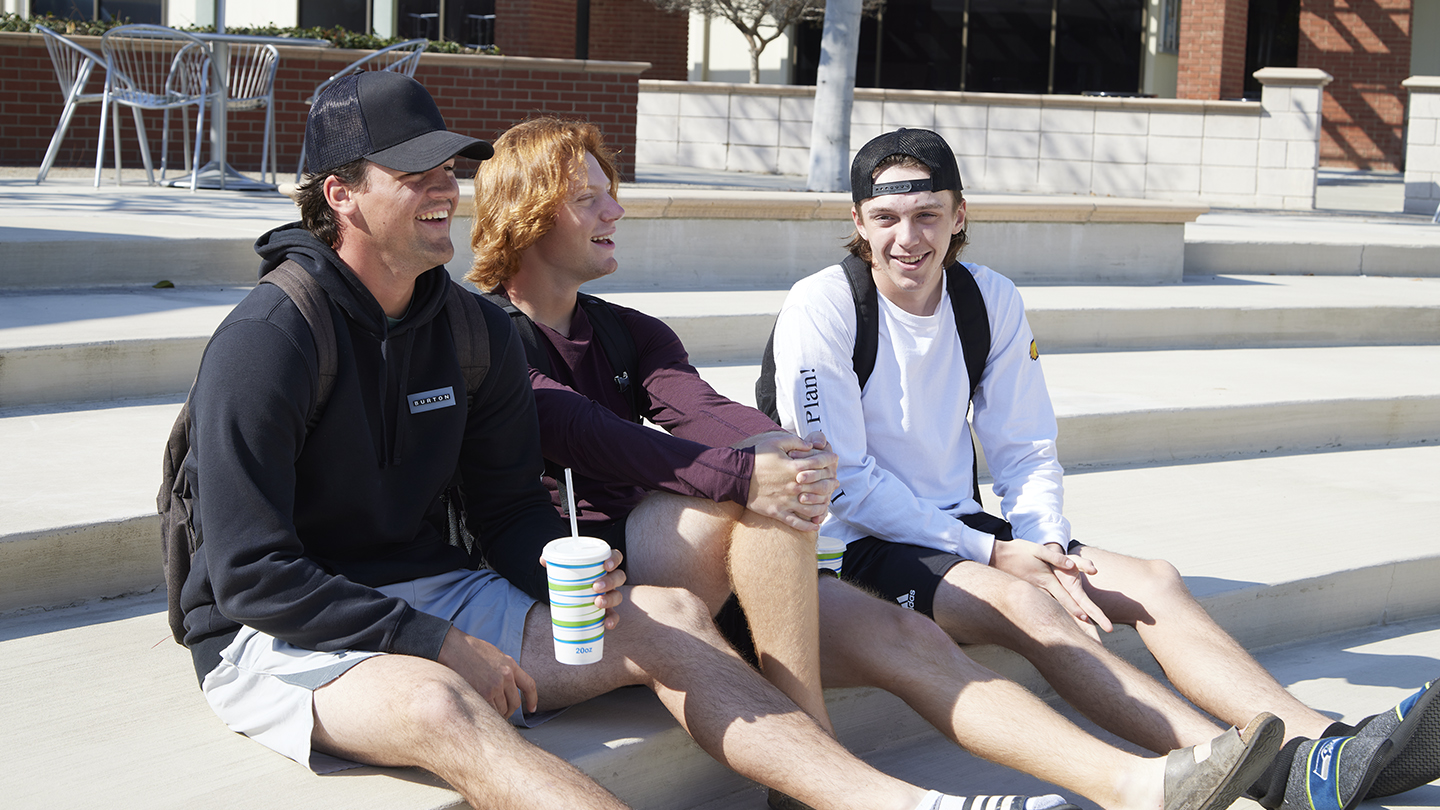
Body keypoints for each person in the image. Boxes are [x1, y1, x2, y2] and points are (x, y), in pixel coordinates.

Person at [177, 71, 1069, 810]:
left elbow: (508, 509)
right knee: (440, 703)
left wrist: (568, 573)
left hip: (436, 586)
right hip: (282, 629)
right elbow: (251, 573)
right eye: (415, 175)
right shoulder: (271, 339)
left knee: (669, 616)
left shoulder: (464, 331)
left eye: (451, 168)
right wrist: (430, 638)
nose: (446, 187)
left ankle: (895, 805)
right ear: (342, 196)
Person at [466, 115, 1293, 810]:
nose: (616, 207)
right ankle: (812, 765)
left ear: (959, 217)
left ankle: (1136, 784)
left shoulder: (630, 329)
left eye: (611, 189)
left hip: (732, 576)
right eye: (589, 197)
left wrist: (780, 449)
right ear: (531, 213)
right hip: (585, 586)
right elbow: (579, 430)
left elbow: (705, 410)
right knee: (750, 493)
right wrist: (751, 473)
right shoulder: (482, 334)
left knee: (908, 635)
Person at [764, 127, 1440, 810]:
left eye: (926, 215)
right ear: (858, 221)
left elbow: (1024, 448)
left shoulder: (986, 298)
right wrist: (998, 552)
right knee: (1024, 599)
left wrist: (1046, 543)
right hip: (853, 545)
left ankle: (1328, 745)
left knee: (1152, 581)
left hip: (958, 529)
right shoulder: (825, 307)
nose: (907, 238)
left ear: (959, 215)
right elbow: (843, 481)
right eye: (885, 219)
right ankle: (1268, 775)